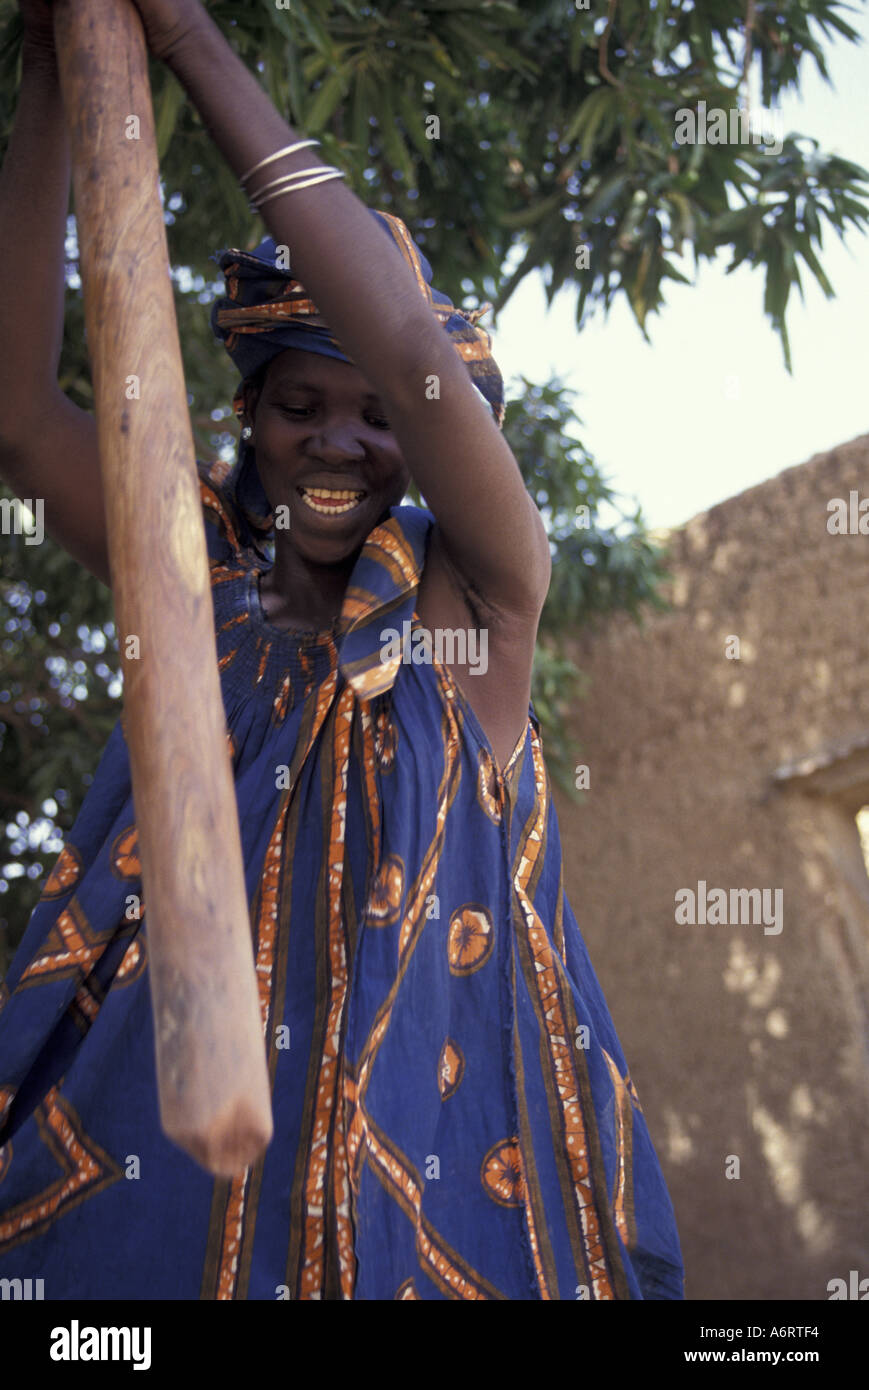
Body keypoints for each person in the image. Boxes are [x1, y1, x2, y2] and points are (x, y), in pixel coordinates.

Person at [0, 0, 684, 1300]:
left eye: (379, 420)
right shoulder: (185, 574)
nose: (336, 440)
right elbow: (21, 418)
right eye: (300, 405)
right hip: (154, 1205)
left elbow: (413, 348)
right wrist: (51, 68)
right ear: (250, 421)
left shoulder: (480, 601)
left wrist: (191, 43)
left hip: (438, 1215)